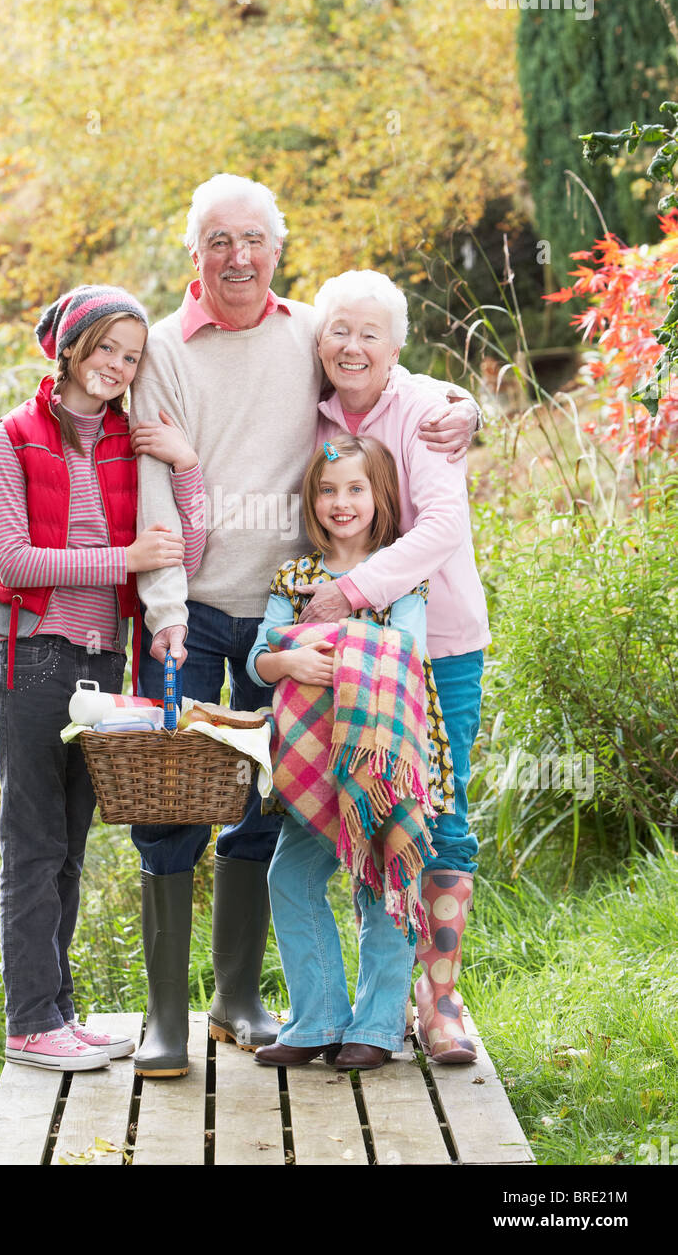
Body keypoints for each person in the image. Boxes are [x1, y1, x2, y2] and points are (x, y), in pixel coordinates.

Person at [128, 173, 481, 1078]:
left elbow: (393, 387)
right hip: (225, 611)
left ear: (278, 252)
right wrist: (172, 610)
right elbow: (161, 483)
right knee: (175, 800)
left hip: (350, 622)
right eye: (218, 241)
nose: (238, 257)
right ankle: (186, 1015)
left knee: (324, 817)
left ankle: (326, 1003)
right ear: (194, 253)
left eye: (255, 240)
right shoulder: (181, 351)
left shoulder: (330, 352)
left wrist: (464, 404)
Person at [0, 284, 206, 1071]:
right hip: (34, 654)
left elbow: (187, 552)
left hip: (105, 660)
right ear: (72, 347)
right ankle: (28, 1021)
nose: (116, 366)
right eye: (105, 347)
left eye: (131, 356)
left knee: (72, 846)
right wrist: (125, 561)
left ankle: (58, 1015)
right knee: (33, 844)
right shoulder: (13, 437)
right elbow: (15, 561)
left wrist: (187, 468)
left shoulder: (131, 445)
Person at [296, 270, 491, 1063]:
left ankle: (438, 998)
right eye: (339, 330)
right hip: (347, 656)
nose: (352, 346)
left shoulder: (427, 412)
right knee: (364, 811)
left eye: (370, 333)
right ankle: (376, 1002)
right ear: (319, 341)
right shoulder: (310, 417)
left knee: (441, 814)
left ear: (398, 346)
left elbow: (442, 524)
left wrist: (349, 591)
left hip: (436, 643)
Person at [247, 435, 452, 1071]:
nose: (341, 502)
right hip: (310, 756)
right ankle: (318, 1020)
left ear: (379, 496)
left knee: (387, 873)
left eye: (355, 489)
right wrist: (293, 657)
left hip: (382, 753)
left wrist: (321, 642)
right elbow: (260, 660)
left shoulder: (398, 573)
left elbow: (409, 655)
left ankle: (379, 1026)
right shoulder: (296, 576)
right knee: (291, 874)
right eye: (328, 490)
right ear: (312, 501)